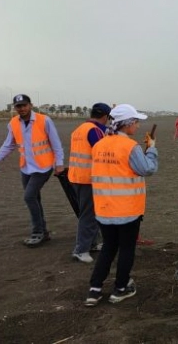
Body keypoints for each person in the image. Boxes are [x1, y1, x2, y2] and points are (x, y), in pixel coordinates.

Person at [85, 104, 158, 306]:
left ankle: (95, 289)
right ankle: (120, 287)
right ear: (127, 124)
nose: (137, 125)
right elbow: (147, 169)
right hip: (126, 209)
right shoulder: (130, 147)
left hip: (104, 208)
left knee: (109, 247)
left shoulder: (99, 145)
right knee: (126, 248)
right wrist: (152, 149)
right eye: (135, 122)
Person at [0, 94, 65, 247]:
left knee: (29, 196)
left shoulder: (44, 120)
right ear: (15, 108)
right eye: (18, 106)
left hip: (43, 167)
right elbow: (8, 145)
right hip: (26, 167)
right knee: (34, 198)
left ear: (30, 105)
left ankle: (37, 232)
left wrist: (59, 164)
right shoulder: (13, 123)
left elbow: (57, 144)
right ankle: (44, 232)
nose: (22, 109)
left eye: (24, 105)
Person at [68, 103, 111, 263]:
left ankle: (92, 243)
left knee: (91, 213)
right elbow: (102, 151)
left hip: (76, 176)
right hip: (88, 178)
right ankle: (81, 250)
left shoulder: (80, 129)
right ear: (105, 117)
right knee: (88, 215)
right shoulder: (94, 131)